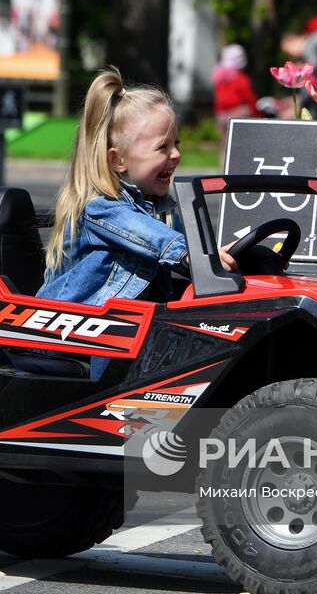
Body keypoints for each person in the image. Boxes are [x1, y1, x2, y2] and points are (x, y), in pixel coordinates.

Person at [39, 69, 237, 379]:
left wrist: (216, 257)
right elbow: (153, 239)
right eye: (162, 147)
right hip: (65, 337)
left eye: (177, 144)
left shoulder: (163, 207)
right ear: (118, 160)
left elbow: (190, 262)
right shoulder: (99, 209)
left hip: (124, 335)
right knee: (125, 323)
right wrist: (192, 254)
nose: (176, 154)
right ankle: (112, 401)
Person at [212, 43, 259, 139]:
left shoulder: (219, 78)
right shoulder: (240, 79)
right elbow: (249, 98)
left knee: (224, 141)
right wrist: (257, 112)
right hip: (236, 113)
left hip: (220, 114)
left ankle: (223, 154)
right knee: (238, 139)